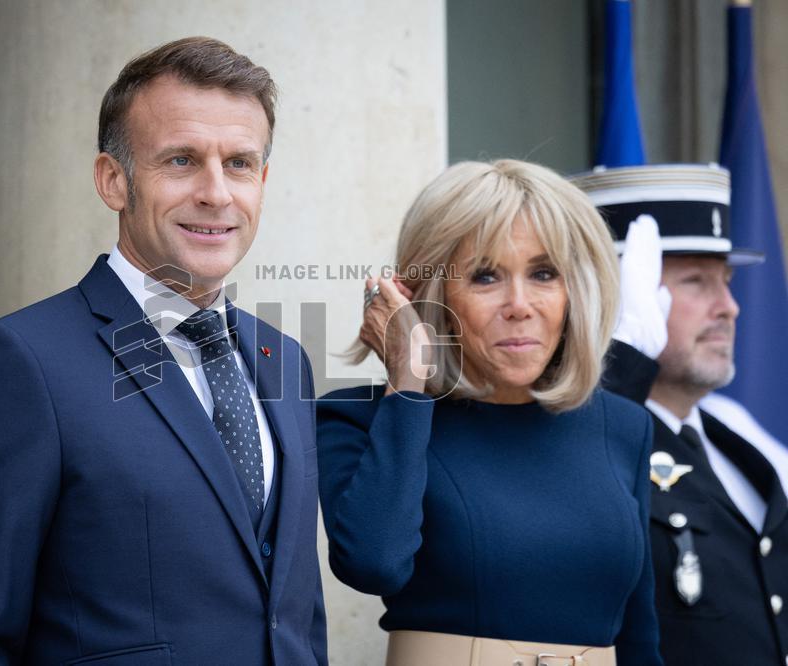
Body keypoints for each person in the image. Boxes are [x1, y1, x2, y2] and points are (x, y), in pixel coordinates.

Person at [0, 37, 327, 665]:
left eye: (239, 163)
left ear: (262, 182)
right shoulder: (18, 363)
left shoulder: (285, 358)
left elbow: (293, 617)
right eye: (182, 160)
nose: (217, 193)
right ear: (114, 181)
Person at [317, 159, 663, 666]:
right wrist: (408, 379)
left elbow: (639, 636)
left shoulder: (625, 426)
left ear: (574, 291)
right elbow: (374, 565)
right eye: (485, 276)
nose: (519, 304)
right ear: (429, 293)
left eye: (543, 273)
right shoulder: (364, 419)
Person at [573, 163, 788, 666]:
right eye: (695, 282)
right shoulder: (586, 440)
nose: (730, 307)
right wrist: (622, 361)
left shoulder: (736, 441)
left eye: (727, 281)